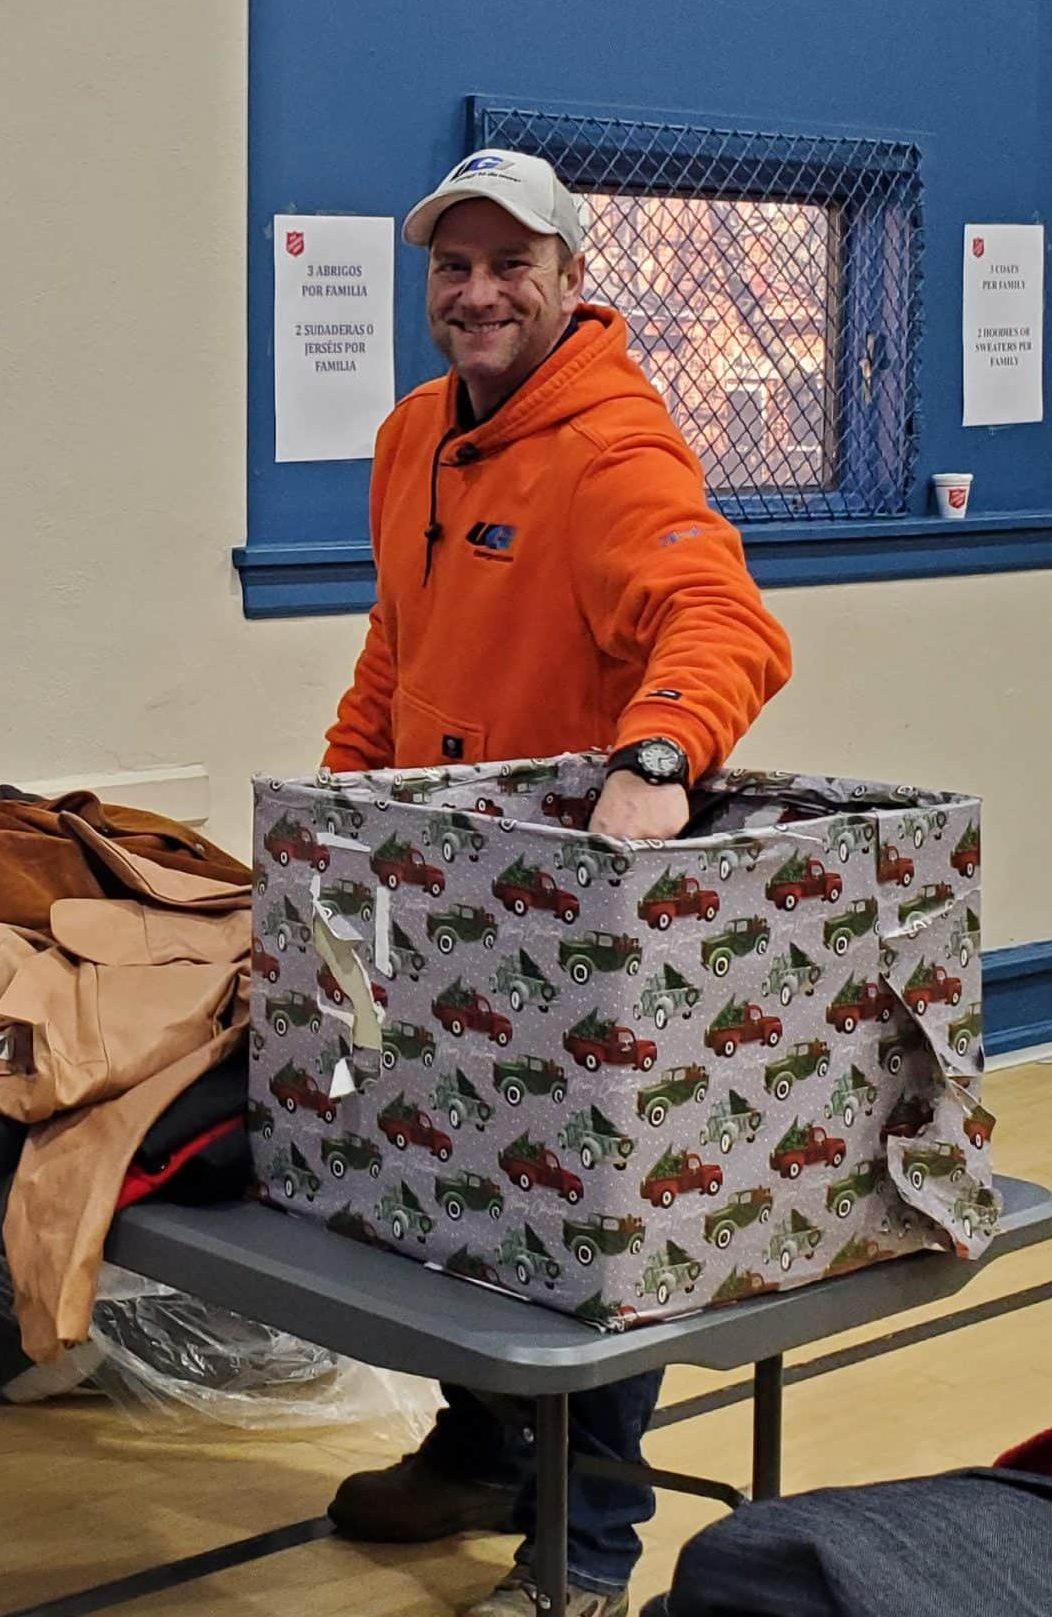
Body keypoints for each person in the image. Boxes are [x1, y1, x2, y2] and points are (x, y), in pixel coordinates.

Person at [319, 152, 795, 1617]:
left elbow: (724, 617)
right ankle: (478, 1451)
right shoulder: (414, 437)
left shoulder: (612, 449)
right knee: (460, 1190)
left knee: (589, 1229)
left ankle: (583, 1553)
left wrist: (658, 750)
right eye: (451, 266)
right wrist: (333, 817)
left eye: (508, 264)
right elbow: (396, 653)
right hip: (434, 903)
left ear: (571, 279)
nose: (477, 292)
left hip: (576, 925)